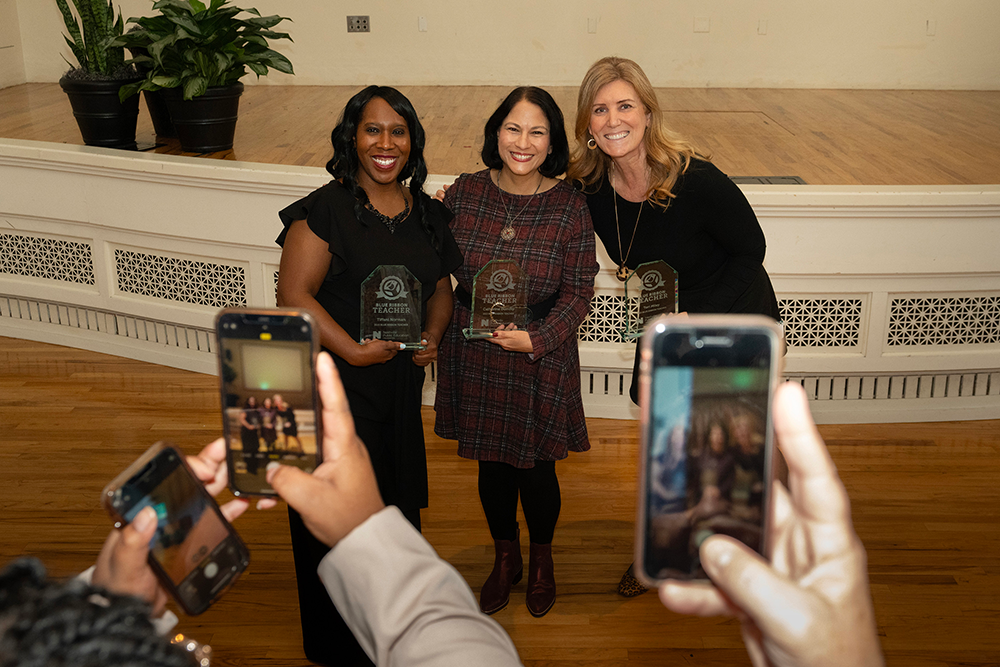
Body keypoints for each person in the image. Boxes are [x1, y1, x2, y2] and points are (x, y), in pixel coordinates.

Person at [566, 56, 782, 596]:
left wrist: (702, 321)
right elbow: (526, 185)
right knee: (670, 440)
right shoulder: (591, 185)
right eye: (600, 109)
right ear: (587, 124)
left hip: (733, 312)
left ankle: (743, 549)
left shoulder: (697, 179)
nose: (614, 120)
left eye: (625, 106)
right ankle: (668, 545)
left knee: (727, 444)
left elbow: (751, 252)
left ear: (647, 113)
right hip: (668, 317)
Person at [275, 85, 463, 665]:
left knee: (392, 507)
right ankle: (335, 645)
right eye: (373, 130)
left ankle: (387, 629)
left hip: (398, 388)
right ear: (352, 138)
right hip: (335, 388)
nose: (386, 143)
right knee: (331, 514)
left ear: (413, 142)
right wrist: (353, 351)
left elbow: (440, 289)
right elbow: (294, 296)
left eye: (398, 131)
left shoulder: (428, 212)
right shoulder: (325, 208)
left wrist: (432, 336)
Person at [433, 86, 598, 617]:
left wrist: (540, 339)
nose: (522, 142)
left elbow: (579, 289)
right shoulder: (462, 193)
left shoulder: (570, 205)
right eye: (512, 128)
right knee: (492, 464)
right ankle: (507, 557)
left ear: (552, 143)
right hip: (475, 350)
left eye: (536, 131)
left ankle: (542, 558)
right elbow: (433, 261)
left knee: (537, 470)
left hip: (539, 353)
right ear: (495, 132)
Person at [238, 395, 262, 474]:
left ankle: (255, 466)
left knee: (255, 448)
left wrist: (258, 425)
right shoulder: (245, 410)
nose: (252, 402)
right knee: (247, 449)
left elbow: (259, 420)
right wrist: (249, 426)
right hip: (246, 433)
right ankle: (249, 468)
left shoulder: (256, 411)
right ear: (248, 401)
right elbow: (241, 419)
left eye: (253, 401)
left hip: (254, 433)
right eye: (250, 401)